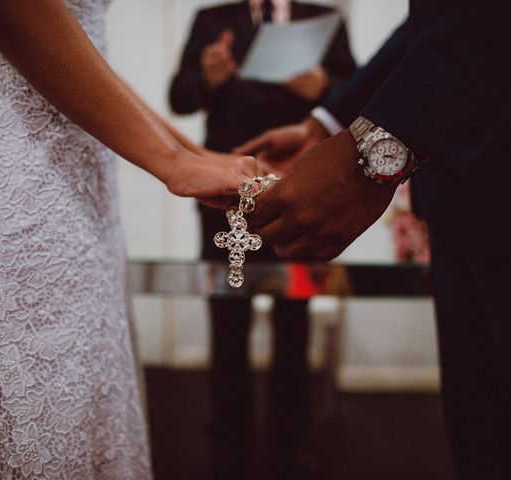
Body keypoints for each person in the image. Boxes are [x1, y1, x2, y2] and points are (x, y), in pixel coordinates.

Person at [0, 0, 264, 478]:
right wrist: (171, 162)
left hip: (76, 181)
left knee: (77, 406)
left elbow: (83, 57)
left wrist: (191, 152)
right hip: (7, 172)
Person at [239, 3, 511, 479]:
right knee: (486, 444)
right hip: (461, 208)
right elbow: (435, 24)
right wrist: (326, 124)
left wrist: (370, 152)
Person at [168, 1, 354, 478]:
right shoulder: (213, 20)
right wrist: (208, 77)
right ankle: (228, 439)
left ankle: (290, 442)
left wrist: (325, 88)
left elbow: (357, 96)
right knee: (227, 316)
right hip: (224, 196)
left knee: (295, 318)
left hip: (298, 190)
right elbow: (179, 97)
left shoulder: (324, 20)